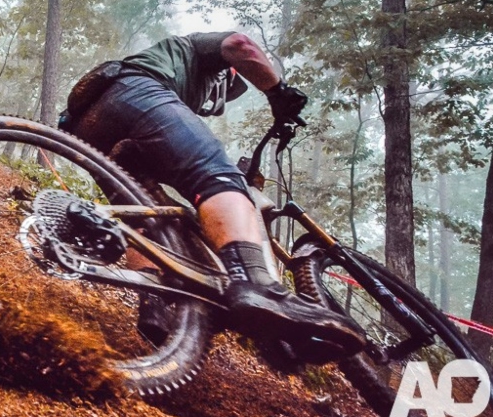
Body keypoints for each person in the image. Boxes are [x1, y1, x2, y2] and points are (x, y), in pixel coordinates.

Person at [64, 31, 365, 358]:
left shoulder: (188, 84)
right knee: (215, 174)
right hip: (134, 91)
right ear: (226, 73)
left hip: (88, 125)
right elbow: (240, 45)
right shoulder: (198, 50)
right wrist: (278, 92)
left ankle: (155, 301)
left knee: (147, 213)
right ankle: (255, 284)